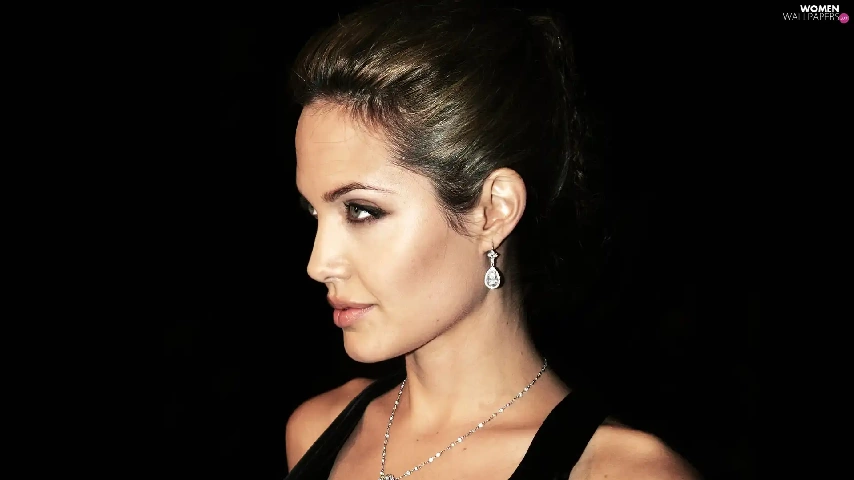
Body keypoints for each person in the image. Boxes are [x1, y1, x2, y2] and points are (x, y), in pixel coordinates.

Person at [284, 1, 700, 479]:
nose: (318, 264)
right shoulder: (316, 428)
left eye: (361, 211)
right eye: (314, 213)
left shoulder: (623, 472)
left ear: (493, 211)